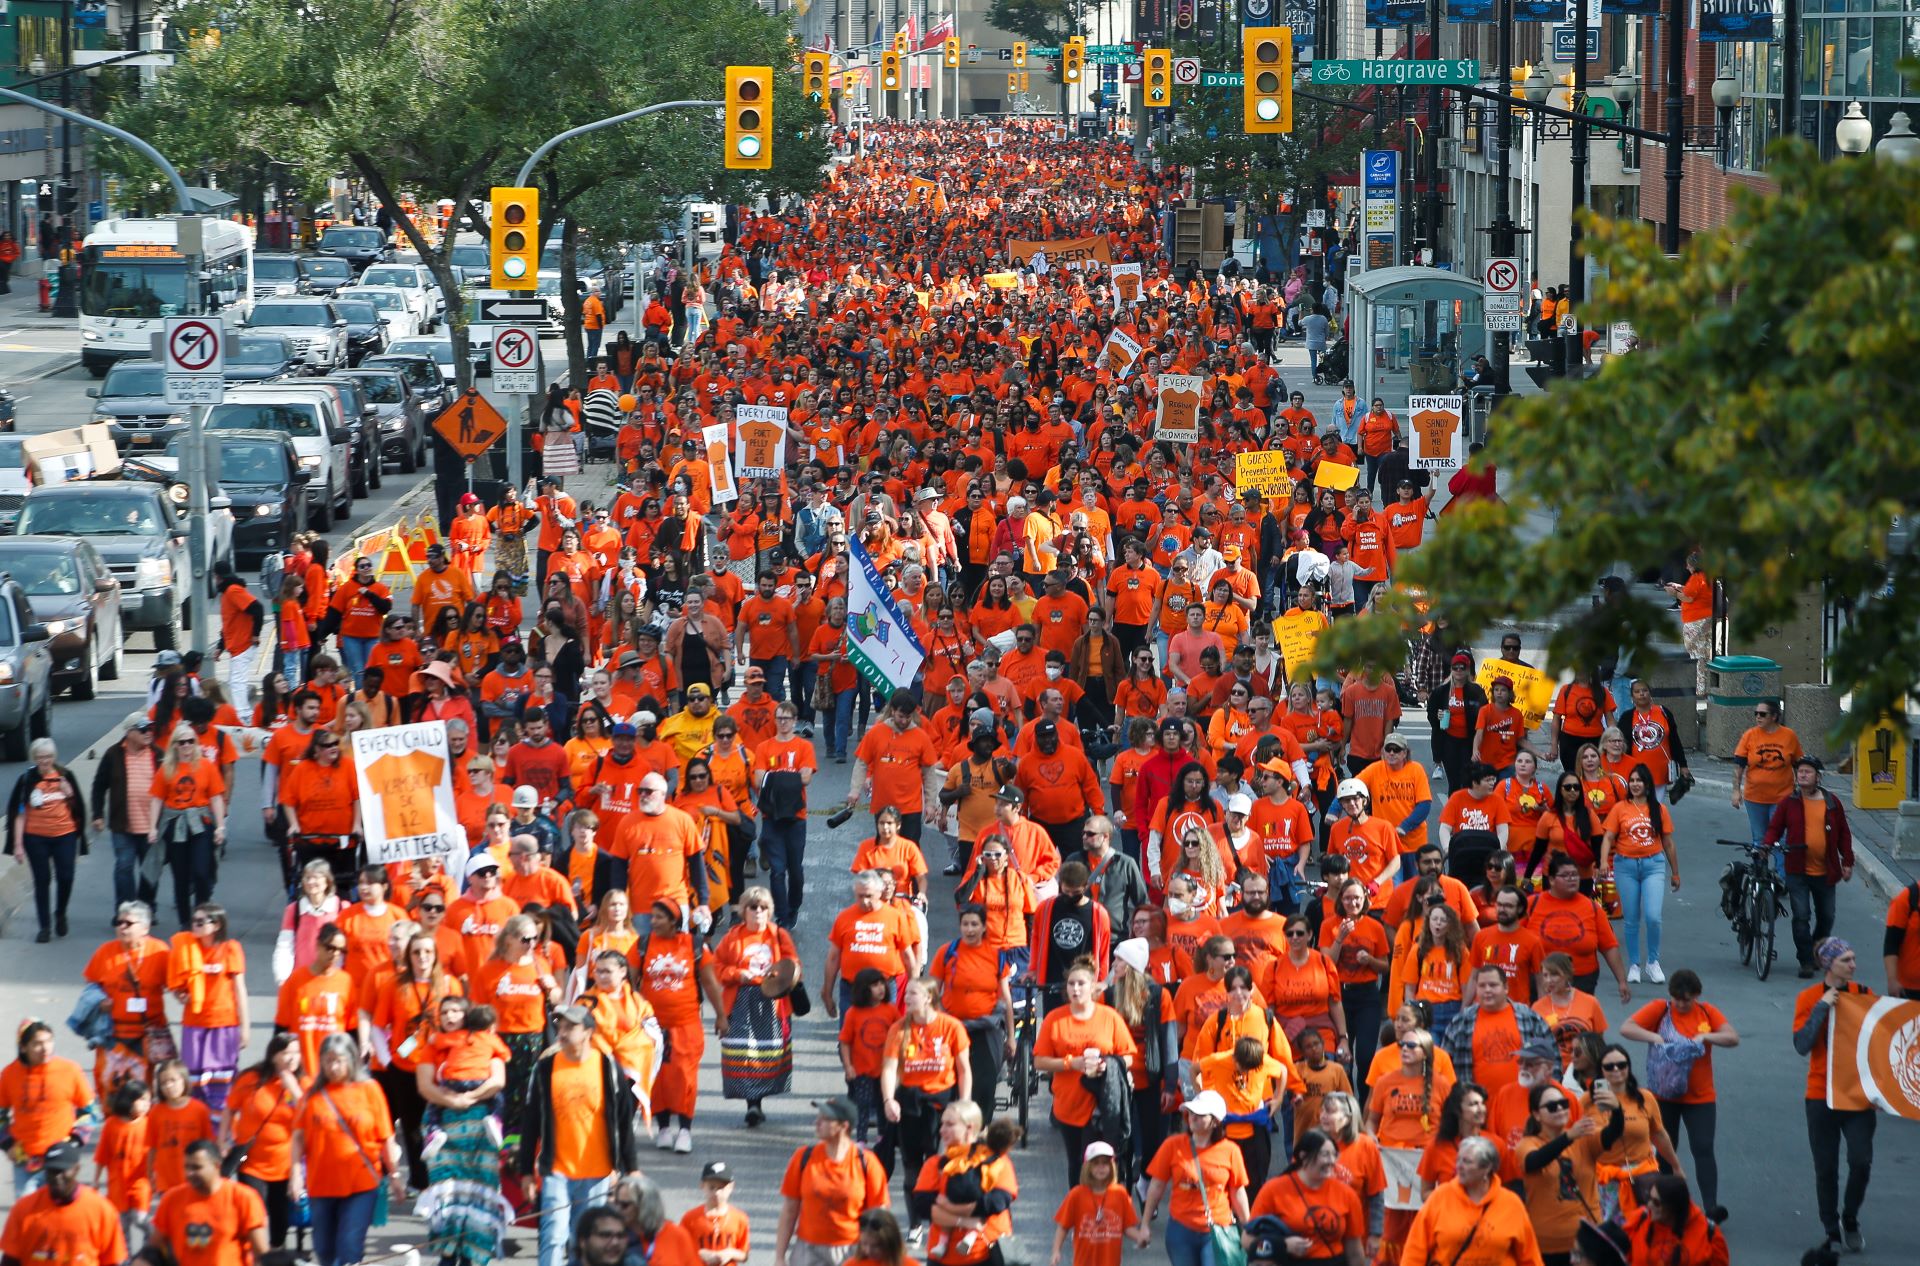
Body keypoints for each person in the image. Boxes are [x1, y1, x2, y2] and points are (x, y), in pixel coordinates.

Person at [515, 1003, 642, 1266]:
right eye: (560, 1026)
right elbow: (530, 1122)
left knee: (585, 1240)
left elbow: (623, 1122)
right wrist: (526, 1171)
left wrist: (632, 1169)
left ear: (587, 1032)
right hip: (556, 1171)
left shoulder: (607, 1067)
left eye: (570, 1027)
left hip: (597, 1173)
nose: (562, 1032)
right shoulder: (545, 1068)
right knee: (553, 1234)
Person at [289, 1033, 403, 1266]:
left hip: (361, 1183)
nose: (333, 1067)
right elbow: (298, 1138)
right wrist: (295, 1175)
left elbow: (386, 1137)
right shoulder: (311, 1095)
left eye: (339, 1060)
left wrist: (394, 1175)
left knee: (349, 1247)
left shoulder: (370, 1090)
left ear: (351, 1059)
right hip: (321, 1184)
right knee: (324, 1249)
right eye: (328, 1060)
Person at [1793, 937, 1876, 1253]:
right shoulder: (1808, 998)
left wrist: (1883, 1091)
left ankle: (1850, 1217)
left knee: (1861, 1162)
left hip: (1857, 1096)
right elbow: (1802, 1044)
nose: (1853, 964)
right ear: (1829, 964)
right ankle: (1831, 1229)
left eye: (1853, 958)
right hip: (1821, 1095)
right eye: (1846, 960)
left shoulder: (1864, 994)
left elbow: (1881, 1043)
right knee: (1826, 1168)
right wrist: (1822, 1007)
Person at [712, 885, 801, 1125]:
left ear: (769, 910)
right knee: (743, 1054)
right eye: (753, 907)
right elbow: (716, 967)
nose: (758, 911)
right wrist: (736, 974)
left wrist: (780, 975)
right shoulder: (732, 937)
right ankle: (752, 1105)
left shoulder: (779, 935)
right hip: (741, 1001)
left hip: (772, 1002)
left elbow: (793, 964)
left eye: (763, 907)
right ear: (744, 910)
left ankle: (757, 1101)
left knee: (766, 1054)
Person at [1131, 1090, 1251, 1266]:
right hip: (1180, 1231)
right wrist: (1145, 1225)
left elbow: (1238, 1193)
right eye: (1191, 1112)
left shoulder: (1230, 1150)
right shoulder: (1172, 1145)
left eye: (1200, 1114)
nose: (1193, 1117)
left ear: (1215, 1121)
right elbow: (1156, 1186)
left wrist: (1248, 1228)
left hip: (1217, 1229)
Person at [1764, 755, 1855, 978]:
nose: (1803, 775)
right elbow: (1775, 828)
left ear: (1818, 777)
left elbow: (1844, 834)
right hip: (1797, 871)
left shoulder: (1832, 803)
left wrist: (1847, 861)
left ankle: (1815, 949)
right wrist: (1766, 845)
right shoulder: (1789, 802)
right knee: (1801, 916)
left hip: (1826, 871)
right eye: (1800, 772)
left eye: (1808, 772)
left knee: (1827, 916)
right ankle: (1805, 960)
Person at [774, 1096, 891, 1266]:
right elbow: (790, 1210)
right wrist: (779, 1257)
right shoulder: (803, 1157)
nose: (817, 1122)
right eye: (818, 1117)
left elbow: (879, 1215)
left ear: (844, 1126)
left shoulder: (867, 1162)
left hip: (853, 1250)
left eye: (825, 1119)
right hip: (808, 1252)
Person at [1399, 1135, 1542, 1265]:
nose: (1459, 1167)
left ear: (1487, 1168)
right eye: (1458, 1160)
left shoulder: (1511, 1204)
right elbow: (1414, 1251)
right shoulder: (1439, 1198)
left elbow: (1530, 1258)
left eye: (1467, 1162)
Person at [1597, 765, 1679, 985]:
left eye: (1639, 780)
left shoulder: (1659, 809)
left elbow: (1668, 843)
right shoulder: (1620, 808)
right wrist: (1604, 861)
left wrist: (1675, 873)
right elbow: (1608, 837)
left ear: (1647, 784)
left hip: (1653, 865)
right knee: (1631, 918)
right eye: (1632, 780)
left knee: (1653, 916)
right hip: (1626, 866)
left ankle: (1653, 962)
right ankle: (1634, 964)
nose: (1635, 784)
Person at [222, 1034, 304, 1251]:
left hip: (284, 1166)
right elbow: (230, 1109)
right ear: (273, 1055)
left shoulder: (304, 1083)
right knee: (254, 1217)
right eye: (286, 1053)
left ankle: (276, 1254)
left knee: (279, 1223)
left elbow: (311, 1117)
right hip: (252, 1164)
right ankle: (253, 1256)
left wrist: (294, 1090)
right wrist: (222, 1141)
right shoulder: (251, 1079)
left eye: (296, 1053)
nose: (292, 1058)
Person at [0, 1021, 95, 1197]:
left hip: (61, 1160)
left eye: (49, 1041)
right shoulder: (8, 1075)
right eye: (37, 1044)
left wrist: (74, 1142)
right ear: (23, 1047)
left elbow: (88, 1111)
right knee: (27, 1210)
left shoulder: (70, 1070)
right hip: (25, 1160)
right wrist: (7, 1144)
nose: (45, 1048)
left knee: (60, 1210)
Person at [8, 738, 88, 942]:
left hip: (65, 834)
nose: (44, 761)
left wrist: (69, 794)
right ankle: (44, 927)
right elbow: (19, 813)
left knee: (66, 876)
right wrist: (17, 845)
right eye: (40, 757)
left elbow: (78, 806)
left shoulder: (65, 775)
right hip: (36, 837)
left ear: (54, 757)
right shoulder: (27, 779)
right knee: (42, 880)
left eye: (48, 757)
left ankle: (60, 912)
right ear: (34, 758)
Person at [1248, 1127, 1367, 1265]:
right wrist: (1283, 1245)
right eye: (1325, 1155)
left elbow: (1354, 1250)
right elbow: (1247, 1240)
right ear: (1303, 1157)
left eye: (1334, 1155)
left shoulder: (1346, 1194)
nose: (1331, 1161)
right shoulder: (1273, 1190)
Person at [149, 723, 228, 928]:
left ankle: (201, 914)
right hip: (176, 824)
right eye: (182, 742)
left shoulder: (206, 766)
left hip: (201, 823)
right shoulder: (166, 768)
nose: (186, 746)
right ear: (175, 745)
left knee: (202, 872)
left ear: (196, 743)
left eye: (190, 741)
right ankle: (185, 921)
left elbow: (216, 797)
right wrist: (153, 827)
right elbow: (157, 799)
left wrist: (220, 826)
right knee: (181, 876)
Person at [172, 901, 249, 1111]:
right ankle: (196, 1118)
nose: (194, 925)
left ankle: (219, 1123)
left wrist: (245, 1028)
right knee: (192, 1076)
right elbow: (177, 985)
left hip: (224, 1023)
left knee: (221, 1077)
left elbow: (240, 989)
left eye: (201, 921)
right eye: (193, 921)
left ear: (217, 925)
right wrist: (179, 995)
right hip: (194, 1023)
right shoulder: (185, 948)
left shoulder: (230, 948)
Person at [0, 1141, 125, 1266]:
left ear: (76, 1169)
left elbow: (111, 1261)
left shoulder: (102, 1210)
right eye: (52, 1171)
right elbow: (10, 1260)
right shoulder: (23, 1209)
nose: (57, 1177)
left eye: (62, 1170)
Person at [1438, 964, 1554, 1093]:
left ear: (1506, 988)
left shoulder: (1529, 1017)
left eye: (1493, 985)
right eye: (1482, 986)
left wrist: (1549, 1092)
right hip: (1475, 1102)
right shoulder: (1461, 1022)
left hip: (1523, 1100)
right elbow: (1443, 1065)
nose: (1487, 990)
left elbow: (1552, 1056)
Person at [152, 1138, 270, 1264]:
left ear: (216, 1166)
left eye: (197, 1167)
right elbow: (153, 1249)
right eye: (187, 1167)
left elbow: (261, 1253)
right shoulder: (172, 1198)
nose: (189, 1173)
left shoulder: (243, 1198)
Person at [92, 719, 160, 909]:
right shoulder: (113, 754)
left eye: (150, 729)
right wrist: (97, 814)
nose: (149, 733)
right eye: (143, 729)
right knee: (124, 866)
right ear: (129, 732)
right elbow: (99, 786)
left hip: (152, 827)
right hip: (123, 826)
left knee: (150, 870)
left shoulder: (158, 755)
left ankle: (146, 908)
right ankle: (125, 910)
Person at [1732, 699, 1803, 857]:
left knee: (1780, 840)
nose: (1758, 717)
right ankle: (1760, 871)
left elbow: (1798, 764)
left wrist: (1801, 788)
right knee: (1759, 840)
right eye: (1756, 713)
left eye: (1762, 714)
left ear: (1774, 716)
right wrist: (1736, 791)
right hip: (1755, 798)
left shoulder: (1789, 736)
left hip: (1782, 797)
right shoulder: (1750, 735)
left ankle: (1781, 872)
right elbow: (1739, 766)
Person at [1051, 1139, 1138, 1266]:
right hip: (1083, 1261)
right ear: (1087, 1167)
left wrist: (1139, 1237)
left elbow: (1127, 1227)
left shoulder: (1120, 1193)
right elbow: (1063, 1226)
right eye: (1096, 1163)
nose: (1101, 1167)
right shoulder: (1076, 1194)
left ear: (1112, 1166)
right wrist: (1056, 1251)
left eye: (1105, 1163)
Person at [1623, 1172, 1728, 1266]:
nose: (1649, 1205)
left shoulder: (1709, 1233)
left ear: (1673, 1207)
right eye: (1649, 1198)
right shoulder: (1639, 1220)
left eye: (1656, 1202)